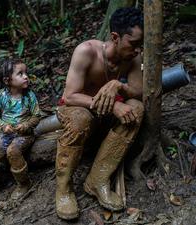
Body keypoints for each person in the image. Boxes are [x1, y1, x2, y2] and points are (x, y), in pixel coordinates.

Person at [55, 7, 145, 220]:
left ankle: (97, 180)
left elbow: (138, 91)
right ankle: (64, 189)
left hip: (104, 113)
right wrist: (113, 106)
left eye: (140, 45)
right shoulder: (86, 51)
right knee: (80, 119)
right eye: (133, 44)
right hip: (78, 107)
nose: (137, 50)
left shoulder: (132, 58)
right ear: (115, 37)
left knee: (137, 109)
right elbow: (70, 96)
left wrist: (117, 86)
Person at [0, 58, 42, 202]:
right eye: (20, 74)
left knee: (13, 151)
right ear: (7, 80)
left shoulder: (29, 96)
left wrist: (26, 125)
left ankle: (23, 183)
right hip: (6, 135)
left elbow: (37, 116)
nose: (26, 76)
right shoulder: (0, 96)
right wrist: (3, 126)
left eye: (26, 73)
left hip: (25, 135)